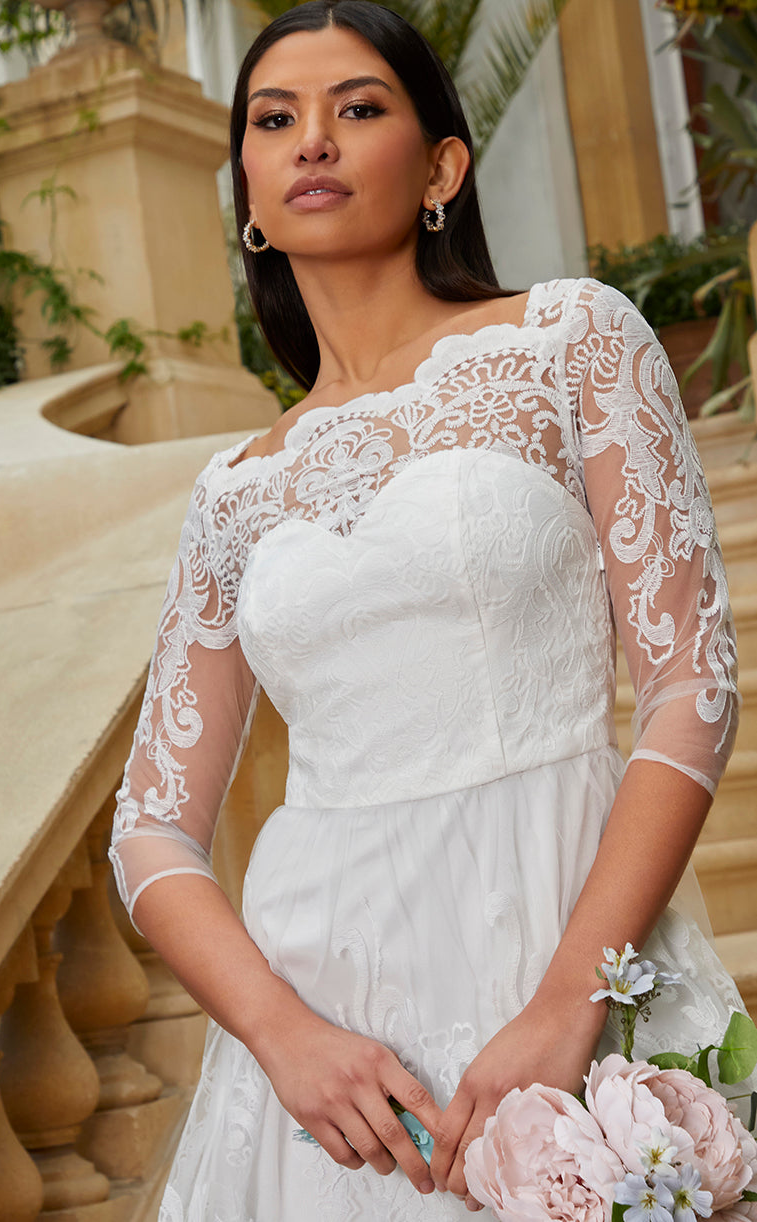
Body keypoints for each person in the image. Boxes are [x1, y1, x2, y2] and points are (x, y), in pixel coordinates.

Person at [109, 2, 746, 1217]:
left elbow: (689, 686)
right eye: (273, 119)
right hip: (327, 1038)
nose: (311, 142)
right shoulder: (231, 491)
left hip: (558, 927)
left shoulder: (568, 342)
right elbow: (149, 826)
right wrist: (282, 1034)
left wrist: (572, 998)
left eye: (357, 108)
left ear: (443, 165)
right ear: (244, 186)